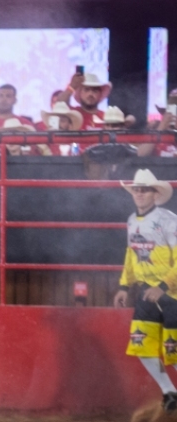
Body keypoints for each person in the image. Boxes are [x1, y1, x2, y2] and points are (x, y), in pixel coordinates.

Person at [113, 169, 177, 414]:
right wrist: (123, 286)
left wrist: (163, 286)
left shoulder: (169, 220)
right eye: (136, 189)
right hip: (145, 294)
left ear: (155, 193)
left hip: (171, 294)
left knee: (174, 352)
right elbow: (131, 255)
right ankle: (169, 391)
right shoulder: (131, 220)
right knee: (142, 346)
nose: (139, 193)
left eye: (144, 189)